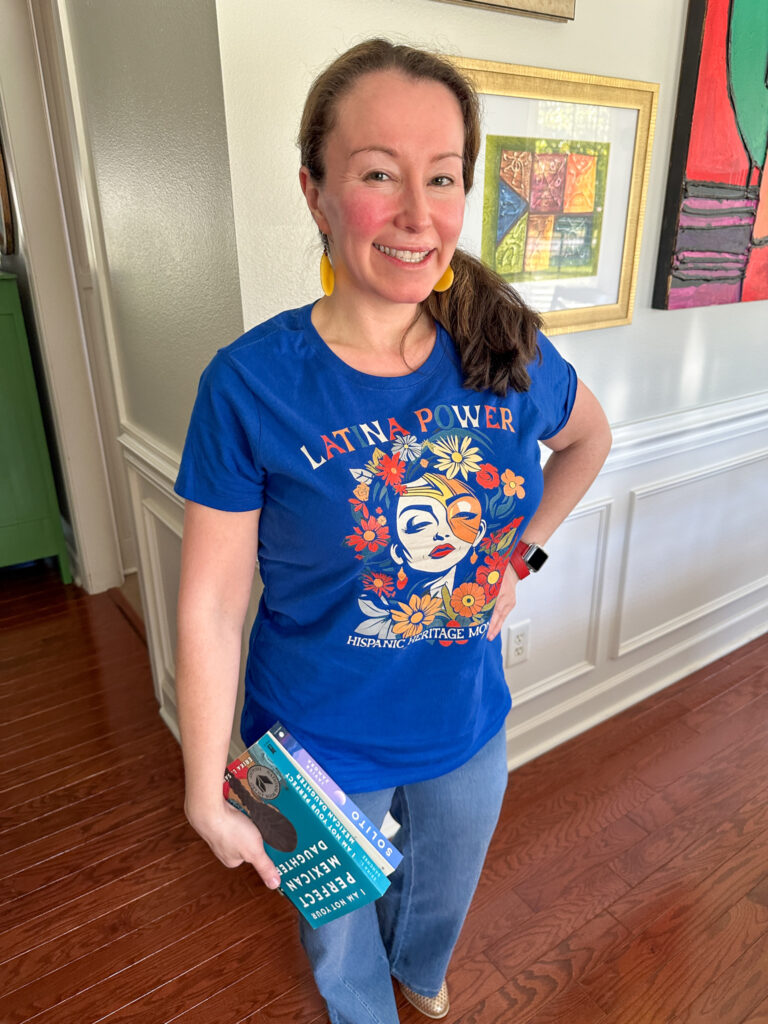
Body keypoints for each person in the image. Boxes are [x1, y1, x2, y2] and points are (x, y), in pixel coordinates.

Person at [174, 38, 612, 1024]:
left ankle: (417, 973)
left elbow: (589, 439)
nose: (419, 214)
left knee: (438, 901)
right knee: (338, 942)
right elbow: (209, 603)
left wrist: (519, 551)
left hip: (466, 719)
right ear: (317, 193)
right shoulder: (250, 386)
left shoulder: (503, 346)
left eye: (444, 177)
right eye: (379, 173)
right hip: (316, 742)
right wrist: (206, 790)